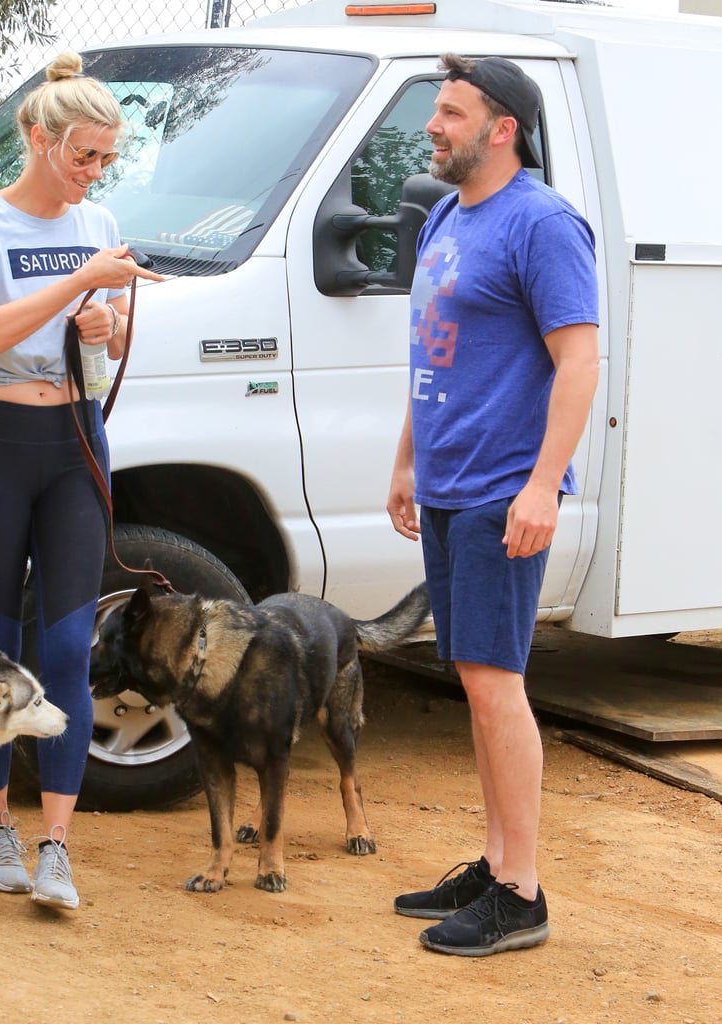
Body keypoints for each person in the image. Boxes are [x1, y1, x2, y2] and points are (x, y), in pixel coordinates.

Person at [0, 50, 164, 910]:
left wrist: (103, 318)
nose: (95, 175)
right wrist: (79, 283)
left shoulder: (97, 220)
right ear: (36, 138)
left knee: (67, 648)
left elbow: (104, 325)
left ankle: (56, 846)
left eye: (106, 159)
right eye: (83, 157)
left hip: (75, 438)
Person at [386, 54, 599, 956]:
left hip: (500, 487)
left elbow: (579, 362)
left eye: (448, 110)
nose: (432, 125)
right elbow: (432, 348)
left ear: (499, 126)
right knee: (474, 683)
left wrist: (543, 484)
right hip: (444, 482)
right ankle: (494, 855)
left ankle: (522, 890)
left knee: (493, 683)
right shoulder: (446, 212)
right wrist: (404, 461)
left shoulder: (543, 224)